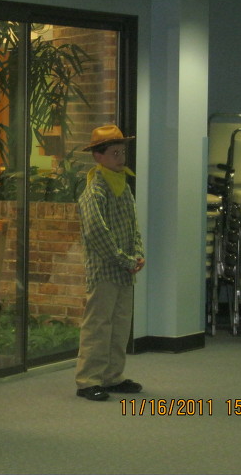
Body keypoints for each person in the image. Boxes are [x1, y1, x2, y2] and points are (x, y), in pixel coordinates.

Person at [75, 125, 145, 402]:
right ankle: (88, 380)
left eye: (122, 152)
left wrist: (137, 254)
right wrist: (123, 259)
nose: (121, 157)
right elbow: (96, 233)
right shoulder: (95, 191)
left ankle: (112, 376)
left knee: (120, 324)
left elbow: (133, 224)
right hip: (105, 270)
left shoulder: (123, 186)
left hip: (125, 269)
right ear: (98, 156)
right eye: (114, 153)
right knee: (98, 325)